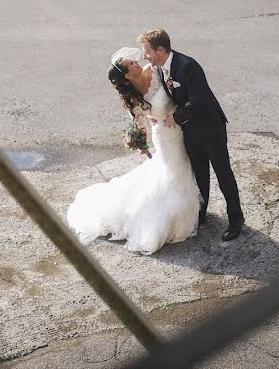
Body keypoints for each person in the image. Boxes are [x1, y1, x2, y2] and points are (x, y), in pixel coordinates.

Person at [65, 48, 201, 255]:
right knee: (174, 174)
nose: (138, 61)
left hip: (181, 125)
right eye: (132, 63)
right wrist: (139, 141)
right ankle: (173, 219)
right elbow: (139, 124)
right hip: (165, 137)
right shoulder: (134, 100)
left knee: (182, 169)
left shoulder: (153, 71)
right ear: (128, 75)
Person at [138, 28, 245, 242]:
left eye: (147, 51)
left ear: (160, 49)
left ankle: (236, 219)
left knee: (223, 173)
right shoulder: (159, 69)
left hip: (210, 127)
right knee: (199, 174)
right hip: (189, 130)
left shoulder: (188, 66)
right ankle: (201, 214)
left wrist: (176, 117)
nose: (144, 56)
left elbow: (199, 97)